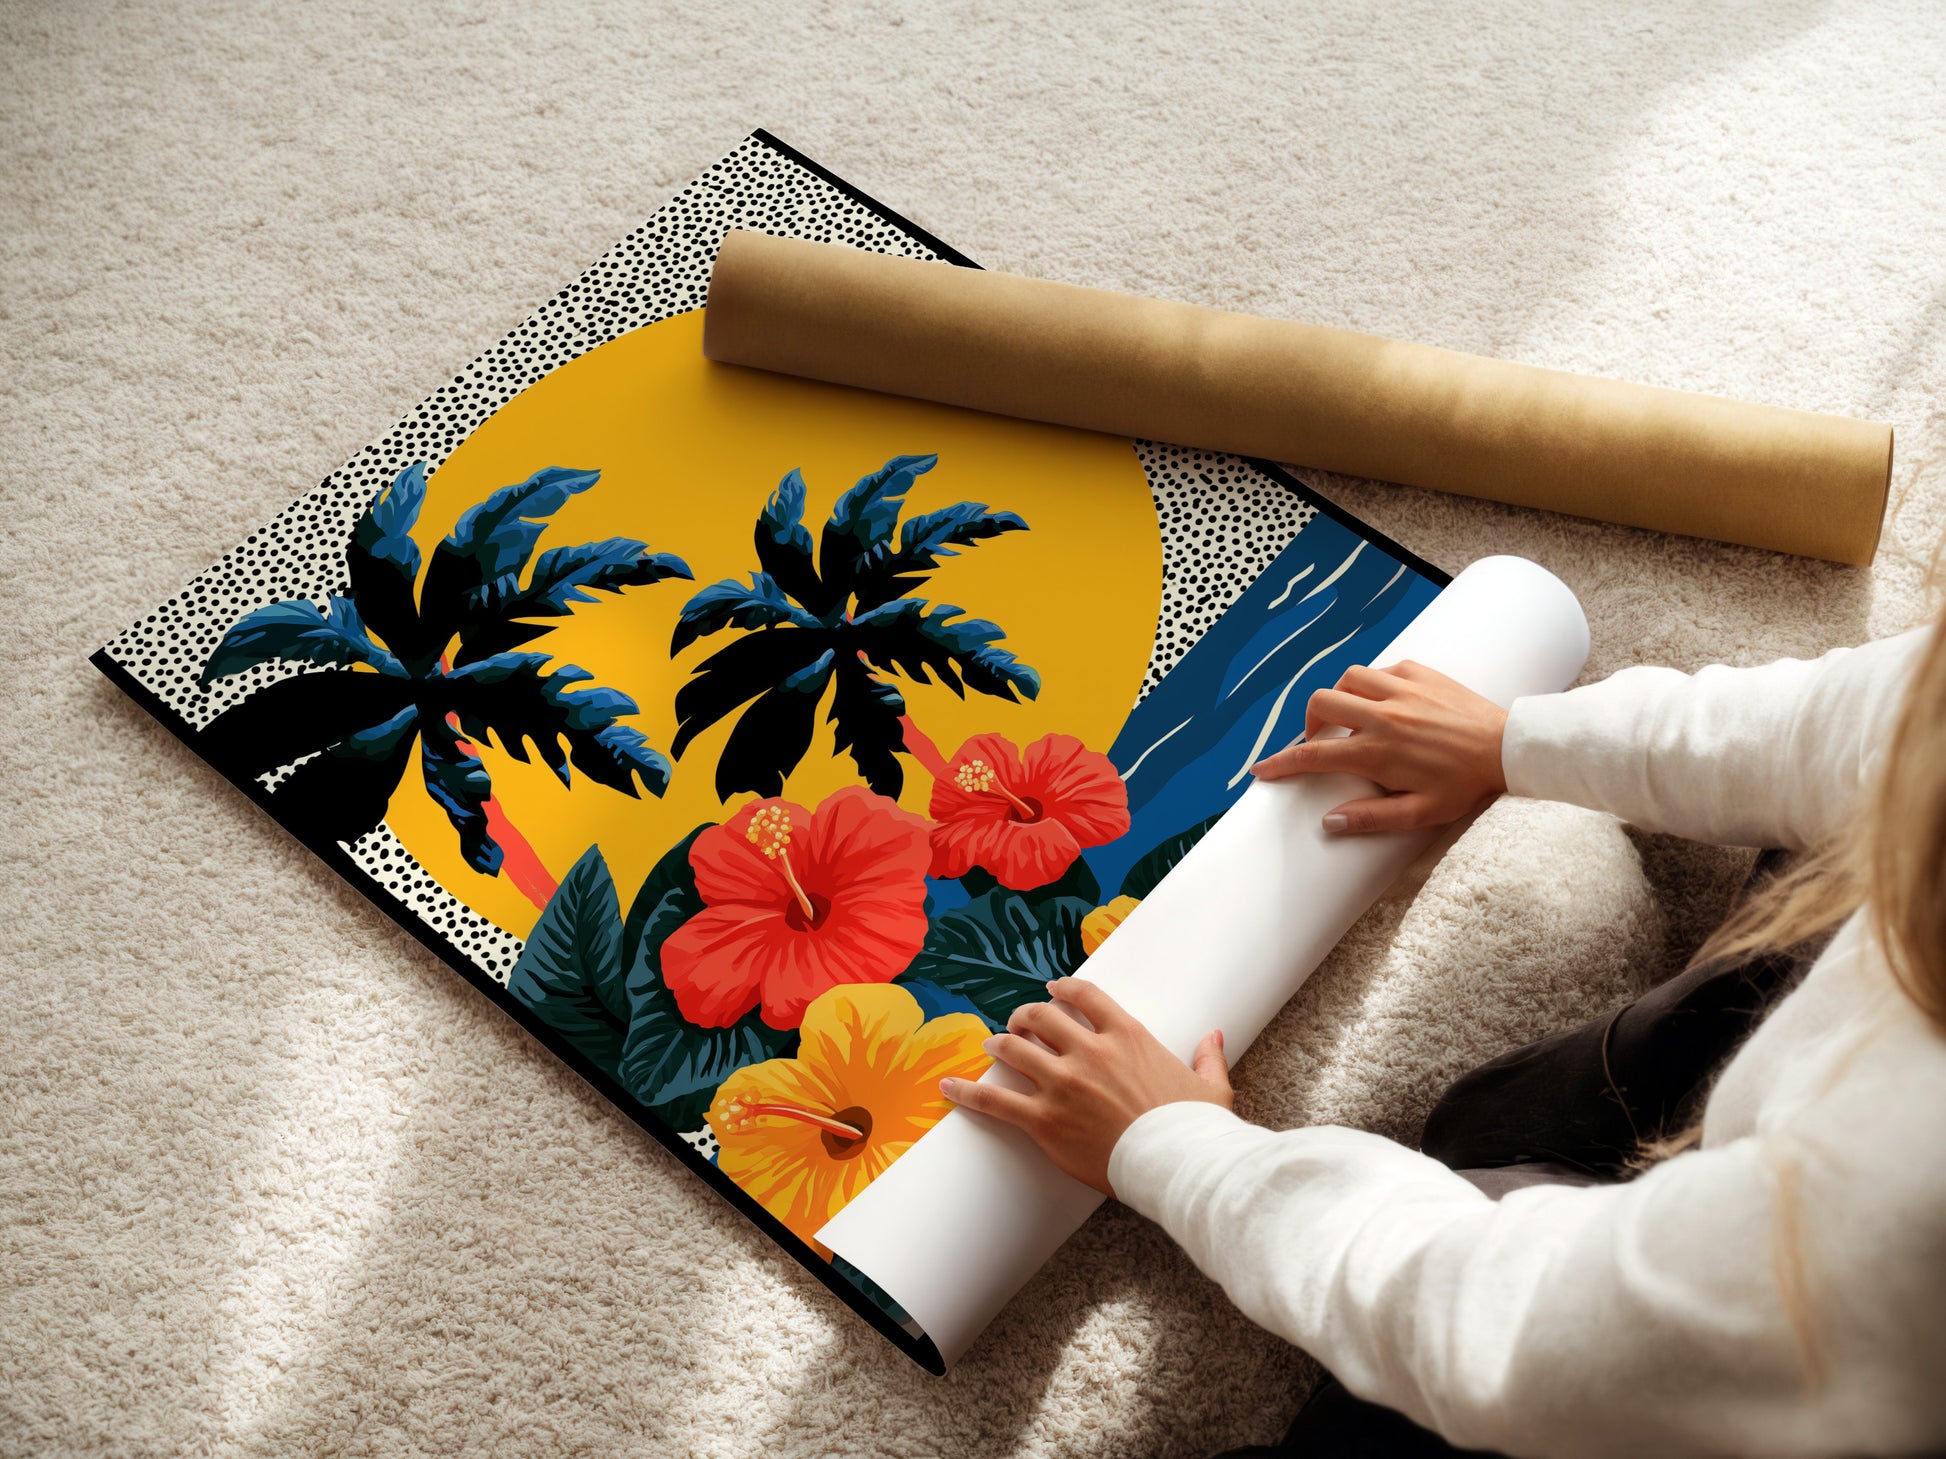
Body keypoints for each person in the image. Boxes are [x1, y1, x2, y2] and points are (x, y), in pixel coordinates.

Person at [939, 611, 1946, 1457]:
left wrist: (1173, 1148)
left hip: (1786, 1367)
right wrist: (1512, 740)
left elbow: (1511, 1331)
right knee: (1500, 1122)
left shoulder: (1896, 1211)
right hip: (1807, 1138)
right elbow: (1865, 720)